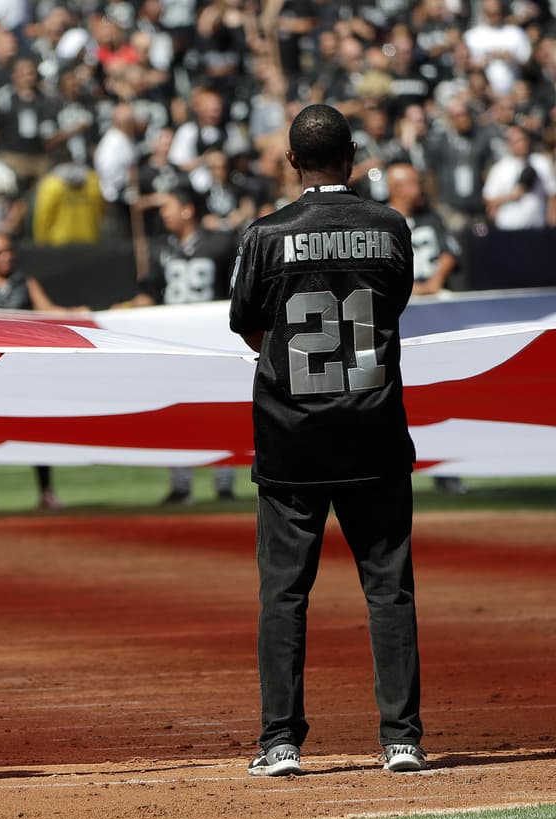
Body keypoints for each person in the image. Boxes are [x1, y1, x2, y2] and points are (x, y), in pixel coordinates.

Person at [229, 104, 426, 777]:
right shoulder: (391, 227)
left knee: (284, 594)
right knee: (389, 591)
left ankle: (279, 743)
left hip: (291, 439)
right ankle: (401, 738)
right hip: (373, 433)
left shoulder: (264, 234)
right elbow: (390, 311)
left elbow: (249, 328)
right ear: (354, 154)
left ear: (292, 161)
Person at [125, 186, 239, 504]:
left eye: (169, 206)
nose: (164, 212)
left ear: (188, 209)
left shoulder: (220, 243)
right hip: (173, 342)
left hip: (214, 341)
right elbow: (152, 293)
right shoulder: (163, 248)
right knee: (177, 410)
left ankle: (225, 482)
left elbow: (234, 289)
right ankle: (180, 484)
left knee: (218, 412)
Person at [0, 231, 85, 513]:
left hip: (24, 369)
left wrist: (77, 314)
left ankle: (46, 492)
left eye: (9, 250)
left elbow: (48, 311)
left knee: (36, 428)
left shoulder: (25, 282)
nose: (7, 256)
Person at [386, 162, 468, 497]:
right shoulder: (382, 220)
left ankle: (446, 470)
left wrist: (434, 281)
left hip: (435, 315)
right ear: (400, 186)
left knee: (442, 392)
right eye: (414, 183)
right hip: (400, 318)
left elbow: (450, 251)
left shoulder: (431, 218)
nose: (420, 189)